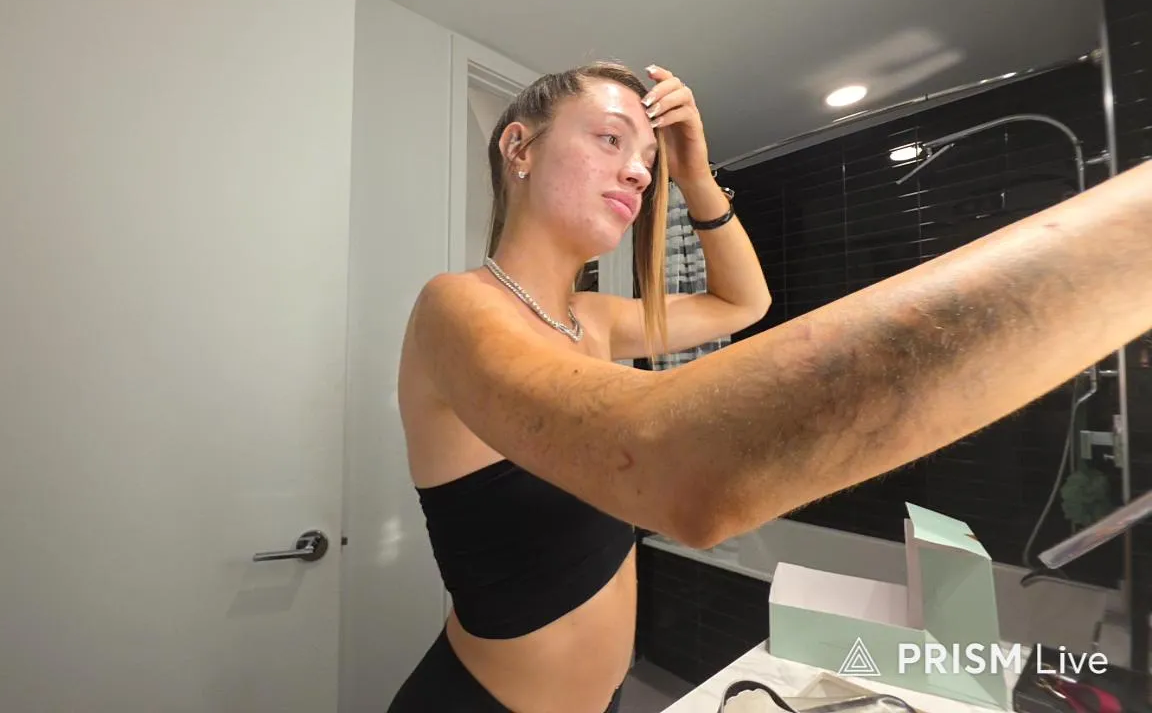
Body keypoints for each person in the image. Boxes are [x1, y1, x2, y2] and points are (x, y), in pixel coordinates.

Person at [387, 60, 1152, 713]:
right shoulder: (455, 308)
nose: (640, 171)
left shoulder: (595, 319)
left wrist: (695, 174)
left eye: (649, 157)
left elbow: (742, 304)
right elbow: (668, 463)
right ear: (518, 147)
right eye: (611, 139)